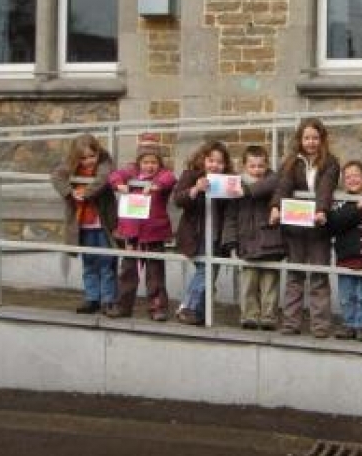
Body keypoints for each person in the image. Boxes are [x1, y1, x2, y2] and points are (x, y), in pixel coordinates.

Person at [268, 118, 340, 337]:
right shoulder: (291, 162)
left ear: (322, 139)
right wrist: (275, 207)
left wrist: (321, 210)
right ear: (300, 139)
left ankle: (320, 326)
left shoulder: (331, 162)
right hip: (295, 227)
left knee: (319, 276)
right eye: (307, 138)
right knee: (295, 275)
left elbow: (326, 188)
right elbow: (283, 186)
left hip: (319, 227)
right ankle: (291, 323)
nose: (311, 142)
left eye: (315, 138)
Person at [105, 134, 177, 321]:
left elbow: (170, 178)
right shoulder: (132, 172)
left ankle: (157, 307)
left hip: (154, 233)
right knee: (128, 272)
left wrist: (155, 185)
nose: (150, 166)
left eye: (154, 162)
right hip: (132, 234)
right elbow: (114, 175)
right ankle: (123, 306)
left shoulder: (162, 175)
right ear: (139, 162)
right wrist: (118, 184)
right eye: (146, 162)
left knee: (155, 275)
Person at [51, 133, 118, 314]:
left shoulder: (105, 162)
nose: (88, 161)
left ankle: (108, 300)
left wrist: (85, 192)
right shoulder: (71, 166)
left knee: (107, 262)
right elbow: (57, 176)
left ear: (98, 153)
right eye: (83, 158)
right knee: (89, 262)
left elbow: (104, 178)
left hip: (103, 223)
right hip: (83, 224)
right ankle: (92, 298)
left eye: (91, 156)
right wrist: (70, 192)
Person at [221, 145, 285, 331]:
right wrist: (231, 241)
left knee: (269, 284)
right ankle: (249, 315)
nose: (257, 170)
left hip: (270, 242)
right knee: (248, 283)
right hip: (246, 242)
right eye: (252, 166)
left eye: (261, 166)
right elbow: (231, 216)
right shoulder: (236, 187)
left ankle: (268, 317)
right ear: (244, 166)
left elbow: (276, 181)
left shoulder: (273, 181)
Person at [174, 141, 236, 326]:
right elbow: (178, 199)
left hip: (218, 236)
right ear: (202, 160)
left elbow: (231, 209)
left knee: (211, 273)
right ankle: (187, 307)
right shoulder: (190, 175)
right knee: (205, 271)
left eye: (219, 162)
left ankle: (199, 314)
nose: (215, 165)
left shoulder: (226, 180)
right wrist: (195, 189)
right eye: (211, 160)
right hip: (197, 235)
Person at [327, 160, 362, 342]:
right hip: (346, 257)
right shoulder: (340, 203)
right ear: (343, 181)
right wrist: (357, 208)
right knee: (346, 295)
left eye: (356, 175)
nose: (352, 179)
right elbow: (335, 224)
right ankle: (348, 324)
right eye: (348, 177)